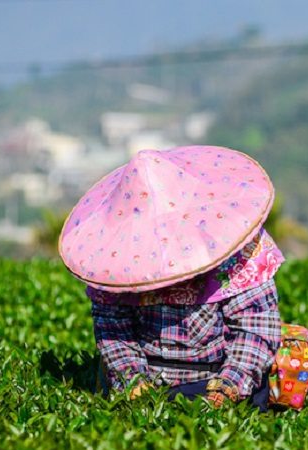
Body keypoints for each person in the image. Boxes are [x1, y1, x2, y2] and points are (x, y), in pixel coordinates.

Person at [57, 145, 285, 410]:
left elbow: (254, 330)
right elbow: (113, 330)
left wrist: (229, 386)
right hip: (145, 386)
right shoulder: (115, 259)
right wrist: (133, 381)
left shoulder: (239, 252)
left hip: (217, 380)